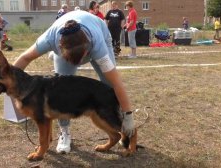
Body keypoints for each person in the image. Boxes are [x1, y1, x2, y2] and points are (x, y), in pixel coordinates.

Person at [13, 10, 135, 154]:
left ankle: (123, 128)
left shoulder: (97, 46)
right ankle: (64, 133)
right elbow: (24, 58)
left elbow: (116, 83)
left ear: (86, 51)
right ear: (60, 47)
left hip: (100, 35)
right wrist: (13, 85)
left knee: (108, 88)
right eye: (73, 61)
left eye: (80, 60)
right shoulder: (50, 39)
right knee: (60, 94)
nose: (78, 65)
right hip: (64, 48)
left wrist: (128, 115)